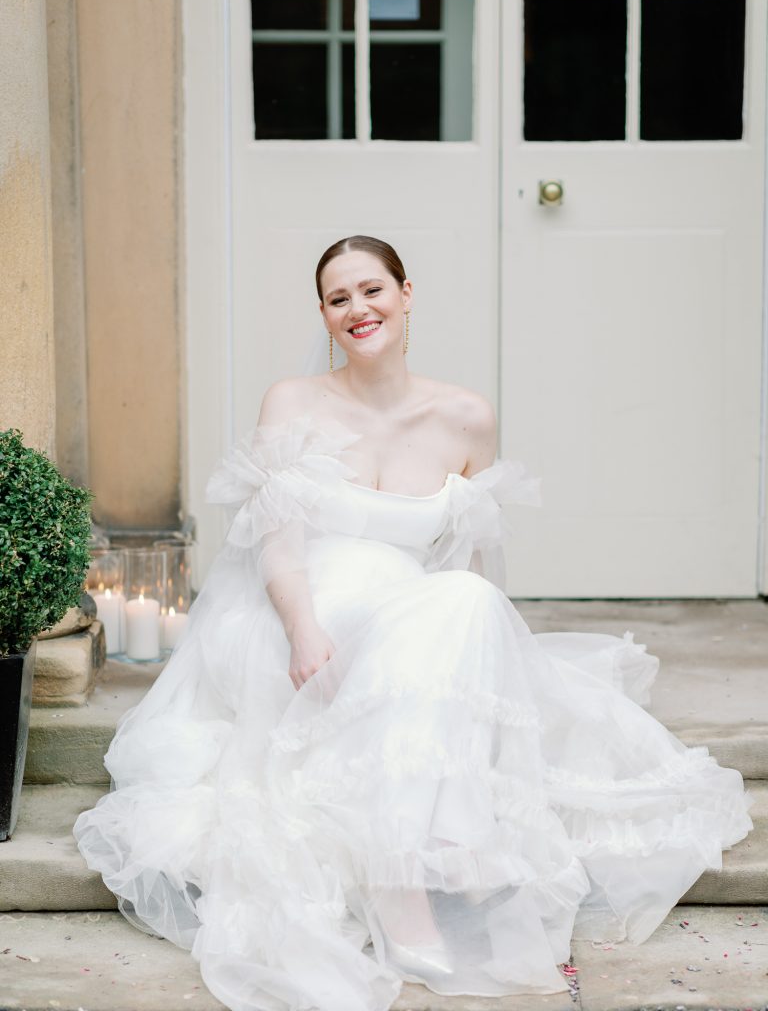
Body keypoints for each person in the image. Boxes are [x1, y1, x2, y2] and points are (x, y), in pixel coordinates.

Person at [74, 235, 754, 1011]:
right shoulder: (293, 402)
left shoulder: (466, 417)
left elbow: (465, 568)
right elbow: (279, 549)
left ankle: (416, 856)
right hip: (298, 621)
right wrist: (303, 630)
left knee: (464, 605)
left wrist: (481, 665)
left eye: (371, 290)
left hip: (408, 622)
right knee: (447, 612)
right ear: (324, 317)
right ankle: (417, 872)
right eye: (338, 299)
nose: (357, 310)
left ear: (405, 293)